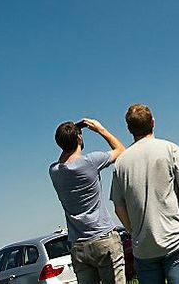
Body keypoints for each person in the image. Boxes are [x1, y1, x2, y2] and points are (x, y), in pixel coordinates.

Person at [111, 104, 179, 284]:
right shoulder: (169, 148)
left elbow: (119, 207)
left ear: (129, 129)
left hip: (143, 246)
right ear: (153, 123)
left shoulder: (121, 163)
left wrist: (133, 231)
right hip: (175, 238)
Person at [49, 119, 127, 284]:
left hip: (78, 245)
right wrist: (100, 129)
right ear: (79, 139)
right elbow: (120, 150)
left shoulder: (54, 171)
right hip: (104, 238)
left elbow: (64, 158)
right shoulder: (91, 161)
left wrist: (69, 138)